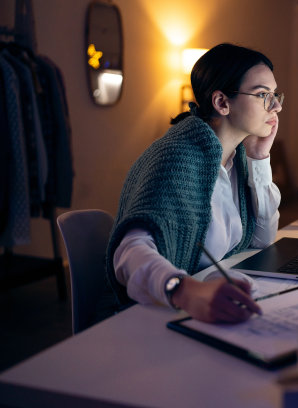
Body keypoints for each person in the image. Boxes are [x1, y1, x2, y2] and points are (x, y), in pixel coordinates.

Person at [105, 43, 282, 323]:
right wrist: (186, 292)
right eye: (263, 95)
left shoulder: (237, 159)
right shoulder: (180, 158)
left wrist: (259, 157)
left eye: (274, 94)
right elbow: (128, 253)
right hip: (160, 314)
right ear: (222, 102)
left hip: (207, 305)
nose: (276, 106)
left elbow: (262, 238)